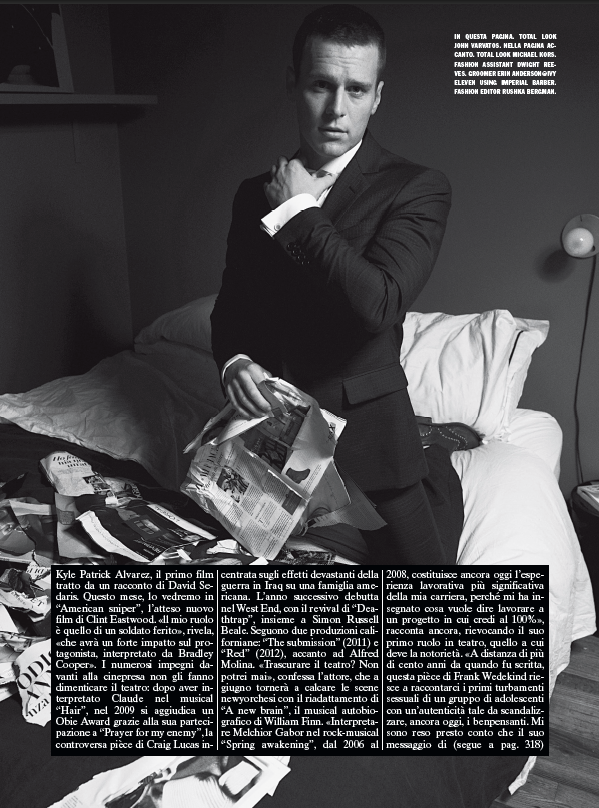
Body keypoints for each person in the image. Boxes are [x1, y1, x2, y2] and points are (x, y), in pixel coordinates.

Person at [211, 4, 463, 564]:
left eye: (356, 89)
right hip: (267, 443)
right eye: (321, 85)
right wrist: (235, 362)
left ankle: (435, 460)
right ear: (293, 84)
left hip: (372, 446)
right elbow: (232, 308)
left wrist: (298, 211)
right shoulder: (252, 194)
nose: (337, 109)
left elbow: (378, 304)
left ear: (377, 96)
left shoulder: (417, 187)